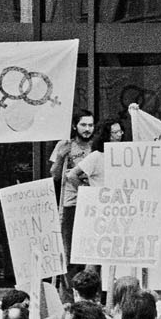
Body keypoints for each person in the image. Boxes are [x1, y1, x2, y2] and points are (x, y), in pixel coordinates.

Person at [49, 110, 100, 266]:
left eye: (90, 125)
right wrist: (60, 157)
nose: (87, 129)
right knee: (70, 249)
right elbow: (55, 176)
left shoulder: (97, 145)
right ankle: (69, 289)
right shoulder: (65, 145)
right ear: (74, 126)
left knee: (92, 248)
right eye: (83, 124)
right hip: (72, 202)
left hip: (94, 204)